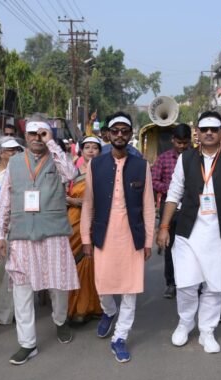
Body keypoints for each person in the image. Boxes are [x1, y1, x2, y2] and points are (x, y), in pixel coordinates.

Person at [157, 111, 221, 354]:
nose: (209, 133)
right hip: (189, 232)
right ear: (197, 133)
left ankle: (207, 331)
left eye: (214, 129)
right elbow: (173, 194)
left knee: (214, 286)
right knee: (186, 284)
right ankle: (185, 322)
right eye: (204, 129)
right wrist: (164, 227)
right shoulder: (186, 158)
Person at [0, 119, 79, 365]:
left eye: (41, 134)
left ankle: (60, 321)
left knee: (58, 285)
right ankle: (27, 343)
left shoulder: (57, 158)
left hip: (53, 232)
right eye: (32, 133)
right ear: (25, 136)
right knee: (21, 287)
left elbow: (71, 174)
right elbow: (4, 200)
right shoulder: (15, 163)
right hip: (22, 234)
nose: (36, 138)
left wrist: (51, 142)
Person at [81, 112, 156, 363]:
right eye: (115, 131)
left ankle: (120, 337)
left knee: (130, 289)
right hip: (103, 234)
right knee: (103, 285)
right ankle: (109, 311)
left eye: (125, 131)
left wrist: (148, 241)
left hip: (132, 236)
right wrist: (86, 238)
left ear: (130, 134)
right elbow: (88, 204)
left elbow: (148, 207)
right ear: (108, 135)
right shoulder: (95, 165)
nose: (120, 135)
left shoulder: (141, 166)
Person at [151, 124, 192, 299]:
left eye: (185, 143)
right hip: (170, 207)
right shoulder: (163, 158)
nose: (182, 146)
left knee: (192, 246)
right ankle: (171, 283)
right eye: (178, 142)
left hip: (191, 207)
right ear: (172, 140)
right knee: (170, 246)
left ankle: (189, 282)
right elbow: (154, 181)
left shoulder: (196, 157)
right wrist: (172, 189)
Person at [66, 136, 103, 324]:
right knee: (75, 261)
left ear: (100, 151)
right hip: (74, 219)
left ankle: (94, 307)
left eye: (95, 147)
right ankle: (74, 308)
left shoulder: (105, 172)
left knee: (93, 263)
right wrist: (76, 201)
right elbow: (61, 195)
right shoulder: (72, 172)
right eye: (87, 147)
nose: (91, 150)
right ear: (81, 150)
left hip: (97, 220)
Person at [0, 137, 23, 326]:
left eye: (17, 150)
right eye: (11, 150)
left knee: (16, 271)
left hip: (18, 225)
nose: (15, 153)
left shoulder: (23, 171)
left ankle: (13, 312)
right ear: (1, 153)